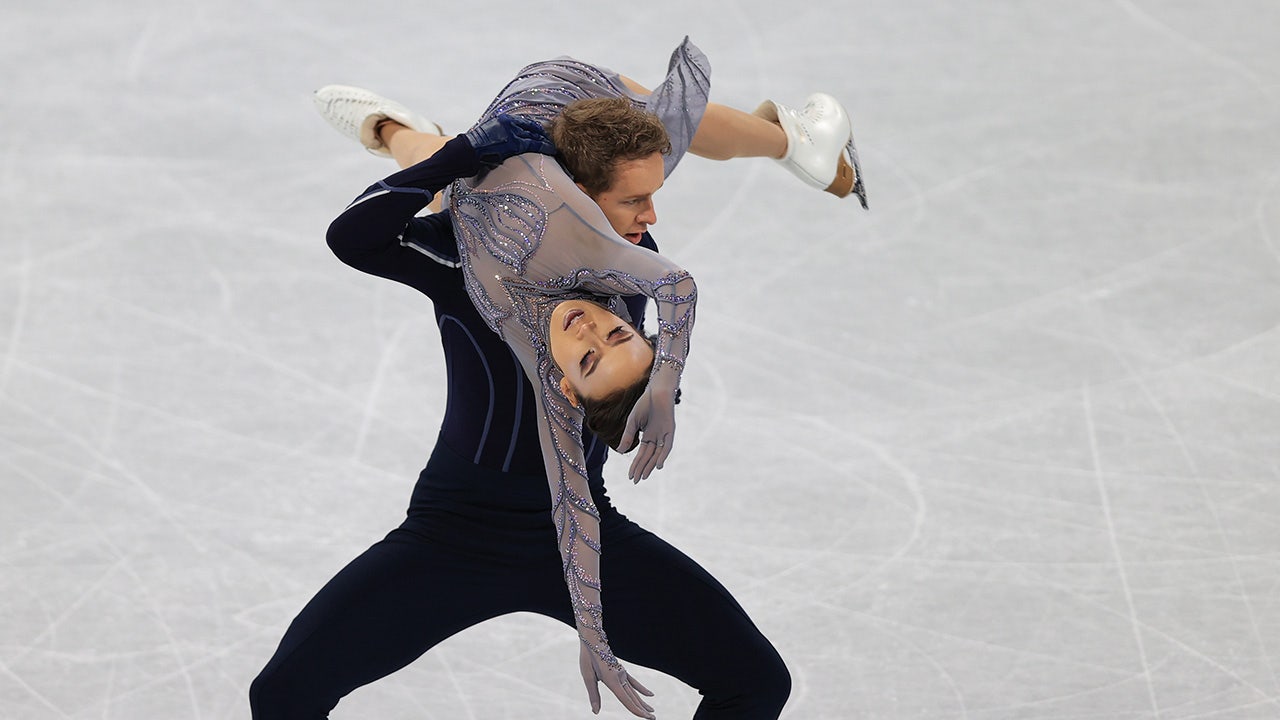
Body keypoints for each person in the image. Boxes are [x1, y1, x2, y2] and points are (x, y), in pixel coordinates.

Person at [250, 39, 863, 719]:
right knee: (282, 693)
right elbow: (356, 238)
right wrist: (461, 153)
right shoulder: (532, 263)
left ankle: (399, 132)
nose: (596, 330)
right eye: (616, 338)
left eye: (602, 351)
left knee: (756, 681)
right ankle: (398, 131)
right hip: (450, 537)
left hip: (588, 538)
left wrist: (650, 391)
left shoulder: (573, 261)